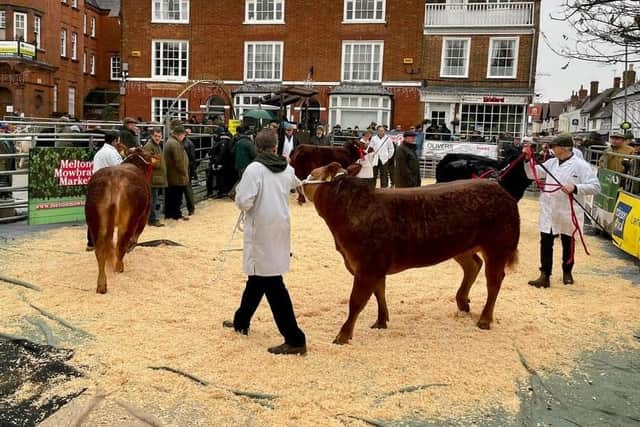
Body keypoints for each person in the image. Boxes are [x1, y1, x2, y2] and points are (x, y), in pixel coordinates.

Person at [223, 130, 307, 355]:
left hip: (261, 229)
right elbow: (296, 182)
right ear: (276, 145)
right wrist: (300, 192)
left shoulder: (255, 169)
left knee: (271, 283)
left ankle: (295, 338)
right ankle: (241, 322)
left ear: (256, 146)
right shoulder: (285, 167)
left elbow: (244, 202)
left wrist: (238, 194)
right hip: (280, 227)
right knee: (257, 279)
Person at [523, 133, 600, 288]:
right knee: (546, 241)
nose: (551, 148)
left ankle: (567, 271)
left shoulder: (581, 165)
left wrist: (576, 188)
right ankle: (544, 275)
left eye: (554, 146)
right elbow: (532, 173)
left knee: (568, 241)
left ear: (564, 147)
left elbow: (596, 187)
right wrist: (527, 160)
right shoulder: (551, 163)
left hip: (568, 210)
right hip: (549, 208)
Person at [87, 130, 123, 250]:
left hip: (96, 184)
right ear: (114, 141)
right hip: (107, 186)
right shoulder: (111, 153)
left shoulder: (100, 152)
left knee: (94, 214)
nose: (119, 142)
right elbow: (119, 168)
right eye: (118, 140)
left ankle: (91, 243)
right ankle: (106, 242)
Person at [163, 125, 190, 221]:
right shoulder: (175, 144)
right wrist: (184, 173)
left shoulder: (170, 142)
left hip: (172, 174)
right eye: (183, 135)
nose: (184, 137)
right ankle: (176, 214)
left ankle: (169, 213)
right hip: (177, 175)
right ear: (179, 134)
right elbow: (178, 161)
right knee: (177, 195)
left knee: (171, 195)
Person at [143, 128, 167, 227]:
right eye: (156, 136)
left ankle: (151, 218)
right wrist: (159, 162)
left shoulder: (157, 146)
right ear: (152, 136)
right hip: (152, 177)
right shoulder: (149, 146)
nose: (157, 138)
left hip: (156, 176)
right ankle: (152, 219)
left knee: (154, 197)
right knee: (152, 198)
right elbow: (149, 161)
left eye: (159, 136)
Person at [182, 126, 197, 216]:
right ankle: (191, 208)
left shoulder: (186, 144)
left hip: (186, 168)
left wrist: (191, 171)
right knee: (187, 189)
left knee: (187, 189)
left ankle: (191, 208)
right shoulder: (188, 143)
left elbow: (192, 159)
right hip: (187, 168)